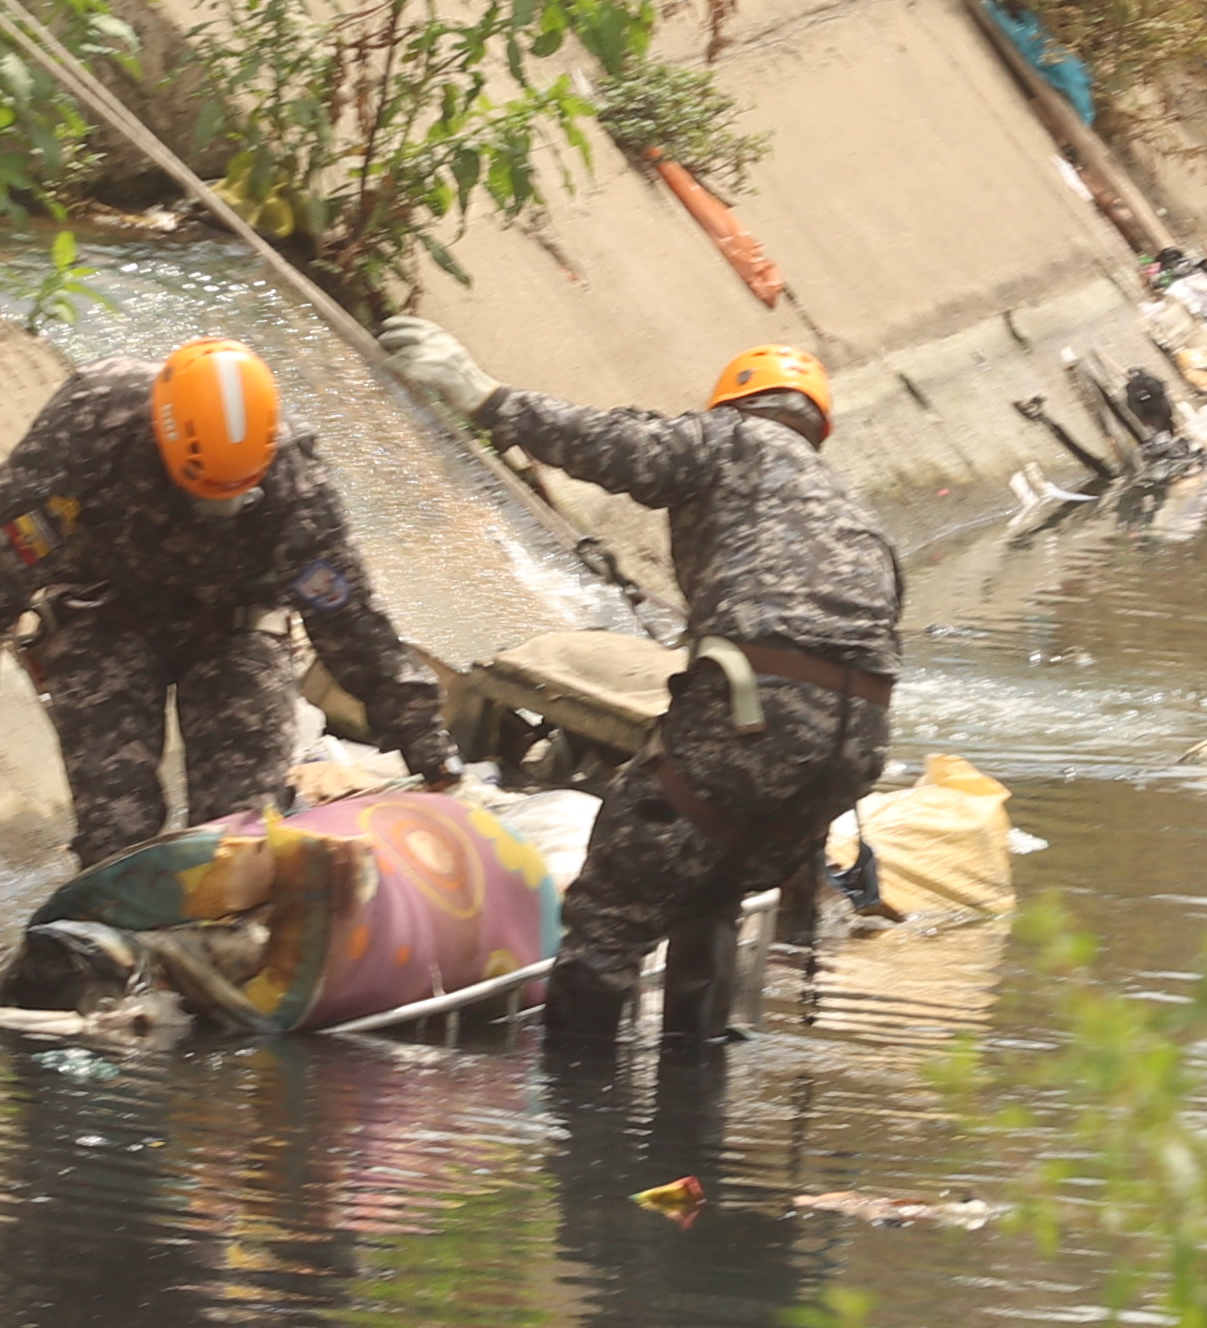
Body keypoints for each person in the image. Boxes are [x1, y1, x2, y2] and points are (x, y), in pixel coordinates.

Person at [378, 320, 903, 1061]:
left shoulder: (734, 442)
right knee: (708, 894)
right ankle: (691, 1125)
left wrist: (488, 398)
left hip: (760, 709)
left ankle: (580, 1131)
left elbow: (628, 448)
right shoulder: (854, 513)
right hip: (856, 746)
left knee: (610, 915)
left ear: (732, 406)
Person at [0, 339, 450, 868]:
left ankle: (224, 965)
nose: (222, 514)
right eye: (207, 496)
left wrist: (434, 757)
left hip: (233, 632)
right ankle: (104, 965)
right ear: (161, 440)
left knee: (241, 831)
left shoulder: (294, 485)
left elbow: (352, 622)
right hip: (106, 617)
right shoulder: (92, 427)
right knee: (119, 825)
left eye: (238, 497)